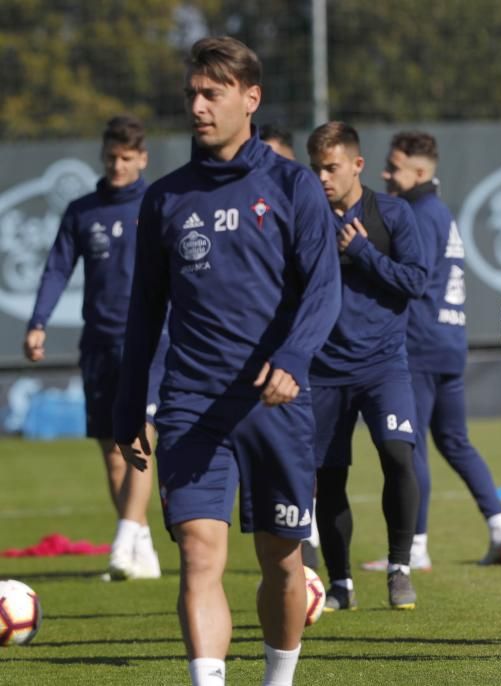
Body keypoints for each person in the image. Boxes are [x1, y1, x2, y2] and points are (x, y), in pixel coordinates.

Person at [113, 37, 341, 686]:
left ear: (250, 98)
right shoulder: (165, 198)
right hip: (192, 405)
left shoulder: (294, 186)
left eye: (212, 93)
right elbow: (144, 312)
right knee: (198, 553)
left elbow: (325, 289)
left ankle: (278, 679)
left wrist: (293, 358)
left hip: (277, 404)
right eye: (191, 93)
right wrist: (131, 406)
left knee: (282, 561)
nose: (198, 106)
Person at [359, 130, 501, 571]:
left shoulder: (416, 213)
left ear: (418, 172)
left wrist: (361, 255)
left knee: (410, 448)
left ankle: (415, 547)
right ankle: (500, 527)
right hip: (449, 340)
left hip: (421, 344)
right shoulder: (439, 212)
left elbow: (409, 279)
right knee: (455, 441)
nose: (385, 174)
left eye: (392, 167)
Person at [25, 114, 164, 582]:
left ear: (142, 158)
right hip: (99, 344)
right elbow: (57, 269)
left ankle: (123, 538)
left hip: (147, 342)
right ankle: (140, 547)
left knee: (139, 438)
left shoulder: (159, 203)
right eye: (111, 158)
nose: (118, 165)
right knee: (111, 450)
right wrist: (39, 321)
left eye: (126, 158)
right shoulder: (83, 211)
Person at [306, 122, 430, 611]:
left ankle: (399, 569)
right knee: (328, 478)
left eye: (331, 167)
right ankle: (340, 585)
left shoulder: (392, 214)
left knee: (398, 455)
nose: (321, 177)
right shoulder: (307, 217)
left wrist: (361, 253)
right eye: (315, 167)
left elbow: (416, 281)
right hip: (323, 369)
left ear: (357, 165)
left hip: (383, 366)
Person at [259, 121, 322, 572]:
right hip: (255, 362)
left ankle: (307, 527)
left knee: (308, 449)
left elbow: (324, 287)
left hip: (309, 351)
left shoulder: (305, 200)